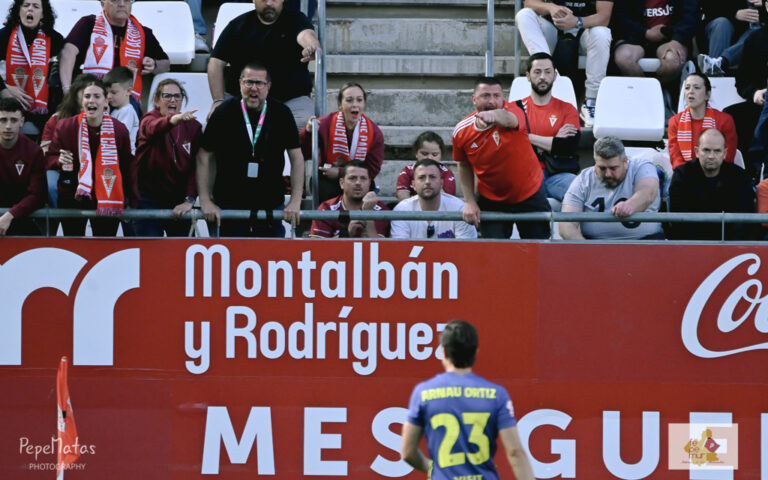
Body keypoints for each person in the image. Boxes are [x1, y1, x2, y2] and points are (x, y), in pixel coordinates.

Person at [400, 319, 536, 480]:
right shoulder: (496, 394)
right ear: (475, 352)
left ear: (444, 352)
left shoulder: (424, 392)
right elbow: (515, 452)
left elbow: (407, 452)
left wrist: (433, 469)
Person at [197, 62, 303, 237]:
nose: (254, 88)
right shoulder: (223, 112)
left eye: (259, 83)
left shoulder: (282, 113)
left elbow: (297, 158)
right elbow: (203, 156)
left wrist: (295, 200)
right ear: (240, 83)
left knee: (270, 254)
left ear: (268, 86)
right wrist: (205, 200)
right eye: (249, 82)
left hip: (270, 206)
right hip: (229, 205)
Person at [453, 76, 551, 239]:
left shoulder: (515, 110)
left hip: (530, 193)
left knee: (537, 248)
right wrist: (469, 201)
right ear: (474, 99)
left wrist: (492, 115)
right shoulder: (461, 131)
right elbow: (463, 165)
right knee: (495, 251)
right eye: (486, 96)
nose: (492, 101)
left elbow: (509, 119)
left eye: (496, 96)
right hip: (491, 199)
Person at [207, 0, 320, 129]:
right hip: (242, 100)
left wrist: (312, 46)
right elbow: (215, 62)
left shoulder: (296, 19)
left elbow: (306, 34)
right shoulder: (238, 25)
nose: (269, 3)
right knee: (214, 126)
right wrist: (218, 100)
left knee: (304, 126)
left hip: (290, 100)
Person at [46, 78, 137, 236]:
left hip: (108, 195)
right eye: (87, 96)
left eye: (97, 96)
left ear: (106, 101)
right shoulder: (65, 126)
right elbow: (49, 158)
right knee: (73, 246)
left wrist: (132, 201)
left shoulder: (119, 129)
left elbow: (127, 166)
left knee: (104, 246)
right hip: (72, 196)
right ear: (82, 101)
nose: (91, 100)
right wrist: (58, 160)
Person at [515, 0, 613, 126]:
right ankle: (548, 73)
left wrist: (577, 21)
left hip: (585, 30)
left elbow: (604, 17)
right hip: (553, 30)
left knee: (602, 32)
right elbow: (529, 3)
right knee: (524, 15)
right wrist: (550, 7)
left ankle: (592, 101)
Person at [58, 0, 170, 104]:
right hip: (91, 94)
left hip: (125, 99)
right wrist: (67, 89)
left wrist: (154, 65)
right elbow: (68, 52)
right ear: (103, 3)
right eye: (115, 0)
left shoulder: (142, 32)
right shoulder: (89, 23)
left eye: (126, 0)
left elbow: (166, 64)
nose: (122, 4)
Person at [134, 78, 202, 237]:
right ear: (157, 100)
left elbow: (196, 167)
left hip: (179, 200)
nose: (173, 100)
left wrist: (189, 200)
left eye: (177, 96)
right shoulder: (148, 119)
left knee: (182, 250)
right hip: (148, 199)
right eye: (167, 96)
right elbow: (153, 128)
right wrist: (173, 120)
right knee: (149, 249)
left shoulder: (193, 126)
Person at [561, 136, 664, 239]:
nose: (608, 174)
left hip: (646, 241)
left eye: (613, 168)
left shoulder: (642, 167)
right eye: (602, 168)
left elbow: (647, 192)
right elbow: (566, 223)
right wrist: (585, 246)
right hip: (595, 244)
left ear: (625, 161)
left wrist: (630, 205)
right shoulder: (583, 180)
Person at [300, 82, 384, 202]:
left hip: (359, 178)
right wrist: (308, 132)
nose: (355, 105)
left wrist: (341, 172)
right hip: (328, 179)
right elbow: (303, 152)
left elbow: (373, 169)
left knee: (364, 187)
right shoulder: (324, 124)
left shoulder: (373, 131)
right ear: (340, 105)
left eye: (359, 100)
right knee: (327, 189)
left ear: (364, 104)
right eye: (349, 100)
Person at [668, 128, 755, 240]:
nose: (711, 156)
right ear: (697, 151)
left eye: (717, 151)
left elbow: (744, 218)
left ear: (725, 153)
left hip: (730, 244)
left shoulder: (740, 177)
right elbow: (679, 218)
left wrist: (729, 246)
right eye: (706, 150)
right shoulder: (682, 175)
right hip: (691, 244)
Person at [518, 52, 580, 204]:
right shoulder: (516, 108)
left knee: (580, 190)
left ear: (555, 75)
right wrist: (554, 140)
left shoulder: (567, 109)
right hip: (526, 174)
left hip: (558, 175)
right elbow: (512, 144)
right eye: (537, 72)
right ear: (528, 76)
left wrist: (526, 136)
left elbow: (568, 146)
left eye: (547, 72)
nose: (542, 77)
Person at [0, 0, 65, 133]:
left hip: (41, 106)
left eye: (35, 6)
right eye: (26, 5)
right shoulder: (3, 36)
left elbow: (57, 77)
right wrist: (4, 89)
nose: (30, 9)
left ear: (42, 14)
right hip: (5, 100)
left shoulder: (55, 39)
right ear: (18, 11)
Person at [611, 0, 698, 82]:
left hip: (672, 37)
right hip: (635, 36)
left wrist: (677, 39)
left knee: (672, 61)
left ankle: (660, 88)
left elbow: (691, 16)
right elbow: (619, 17)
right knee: (624, 58)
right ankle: (644, 89)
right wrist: (645, 32)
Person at [390, 159, 476, 239]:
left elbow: (466, 248)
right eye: (421, 177)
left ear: (441, 183)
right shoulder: (401, 210)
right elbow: (400, 248)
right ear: (414, 184)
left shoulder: (459, 208)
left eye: (432, 177)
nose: (427, 182)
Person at [668, 73, 738, 170]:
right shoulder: (675, 122)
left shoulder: (725, 120)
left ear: (707, 95)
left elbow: (728, 157)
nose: (690, 92)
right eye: (687, 88)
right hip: (685, 175)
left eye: (696, 88)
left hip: (718, 174)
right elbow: (676, 158)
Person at [0, 97, 46, 235]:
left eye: (13, 120)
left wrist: (10, 215)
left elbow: (38, 195)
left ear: (22, 122)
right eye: (3, 120)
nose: (8, 126)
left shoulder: (34, 152)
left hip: (22, 217)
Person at [309, 160, 389, 238]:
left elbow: (381, 246)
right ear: (342, 183)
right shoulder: (326, 209)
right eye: (352, 178)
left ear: (369, 183)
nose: (358, 183)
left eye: (363, 178)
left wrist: (368, 216)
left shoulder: (380, 210)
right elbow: (317, 245)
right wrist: (347, 233)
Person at [697, 0, 765, 76]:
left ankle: (717, 64)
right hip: (719, 30)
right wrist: (734, 13)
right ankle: (716, 68)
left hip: (752, 33)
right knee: (722, 23)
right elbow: (708, 7)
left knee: (759, 32)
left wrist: (764, 4)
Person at [395, 131, 456, 201]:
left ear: (441, 155)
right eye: (424, 154)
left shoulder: (446, 173)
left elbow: (448, 200)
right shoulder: (407, 171)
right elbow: (402, 194)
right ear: (416, 153)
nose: (429, 158)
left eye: (435, 154)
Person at [103, 66, 138, 154]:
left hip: (126, 156)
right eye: (107, 92)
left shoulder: (128, 111)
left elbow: (119, 136)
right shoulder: (116, 110)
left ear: (128, 91)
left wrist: (106, 117)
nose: (108, 96)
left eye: (113, 92)